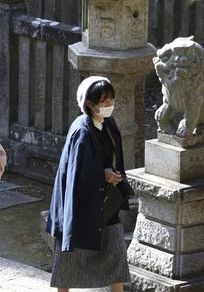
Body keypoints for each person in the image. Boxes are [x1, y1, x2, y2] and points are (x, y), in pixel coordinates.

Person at [46, 76, 130, 292]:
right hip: (80, 202)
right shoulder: (81, 131)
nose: (109, 105)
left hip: (105, 200)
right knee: (70, 255)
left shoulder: (108, 124)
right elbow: (76, 173)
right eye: (104, 101)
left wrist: (114, 176)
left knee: (117, 248)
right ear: (89, 104)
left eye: (111, 99)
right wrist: (103, 174)